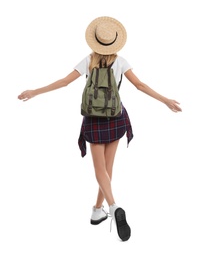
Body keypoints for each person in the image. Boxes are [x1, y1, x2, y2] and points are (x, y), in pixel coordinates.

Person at [18, 16, 182, 241]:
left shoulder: (88, 60)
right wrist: (166, 101)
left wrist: (34, 91)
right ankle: (99, 210)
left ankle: (110, 206)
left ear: (95, 41)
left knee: (99, 170)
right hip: (116, 118)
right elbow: (140, 85)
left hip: (93, 120)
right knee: (108, 168)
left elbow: (64, 82)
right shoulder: (121, 61)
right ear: (115, 41)